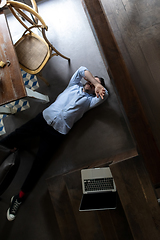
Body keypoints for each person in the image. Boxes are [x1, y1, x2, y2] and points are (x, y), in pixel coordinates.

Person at [0, 66, 108, 221]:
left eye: (94, 86)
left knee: (39, 165)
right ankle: (5, 150)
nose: (91, 85)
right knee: (16, 135)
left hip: (57, 133)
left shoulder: (90, 101)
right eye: (91, 82)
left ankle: (19, 198)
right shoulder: (73, 86)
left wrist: (99, 87)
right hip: (43, 119)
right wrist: (94, 82)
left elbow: (106, 95)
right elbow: (81, 69)